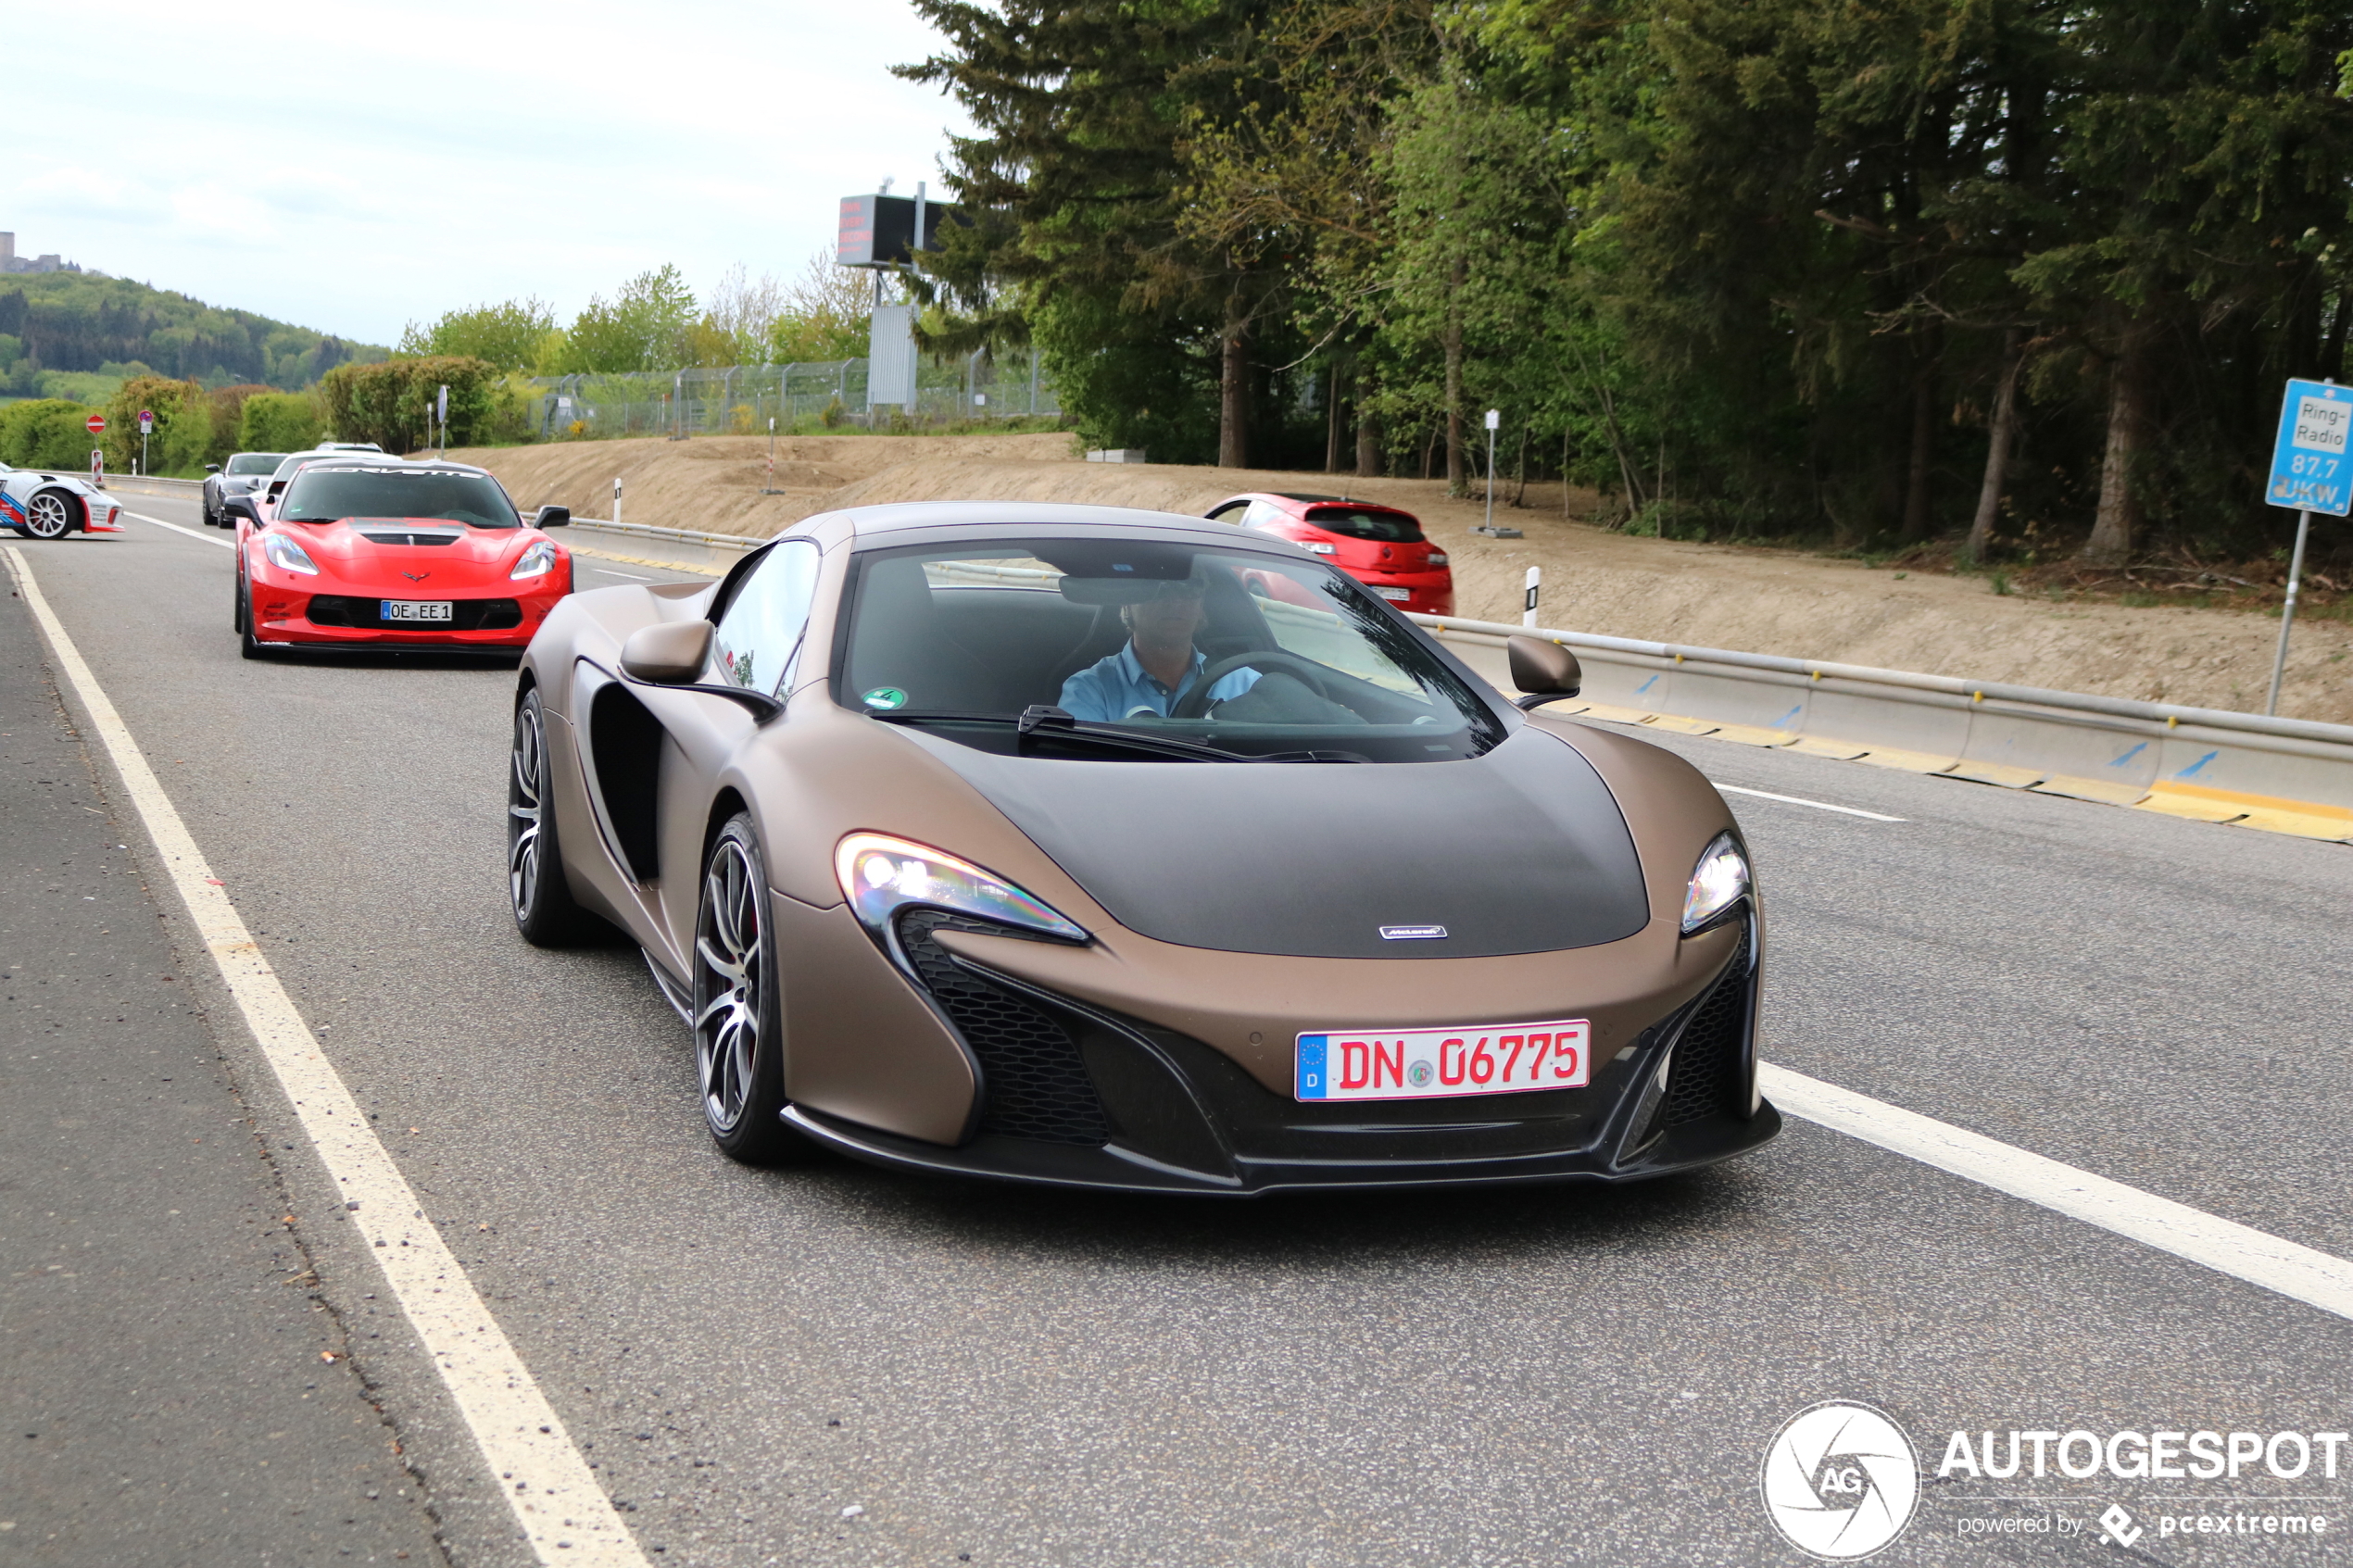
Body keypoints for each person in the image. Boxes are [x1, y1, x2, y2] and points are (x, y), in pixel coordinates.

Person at [1057, 575, 1261, 721]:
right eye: (1158, 589)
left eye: (1189, 589)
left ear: (1201, 606)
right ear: (1126, 606)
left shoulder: (1248, 685)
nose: (1175, 602)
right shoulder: (1088, 691)